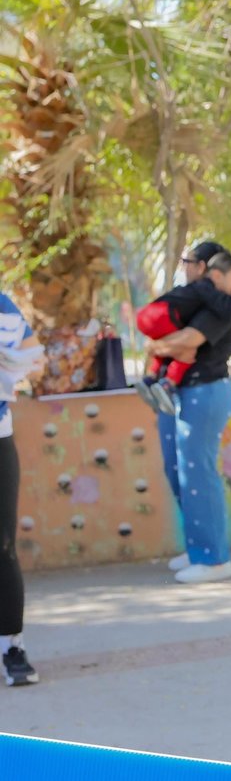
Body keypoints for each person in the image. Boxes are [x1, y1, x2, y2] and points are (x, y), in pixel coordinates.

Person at [144, 251, 231, 585]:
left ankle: (214, 558)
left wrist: (158, 346)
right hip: (182, 392)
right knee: (179, 472)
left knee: (198, 474)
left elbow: (190, 342)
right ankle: (197, 548)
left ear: (206, 270)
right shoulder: (198, 301)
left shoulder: (224, 306)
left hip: (205, 391)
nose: (186, 269)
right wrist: (164, 346)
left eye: (190, 263)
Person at [135, 252, 231, 416]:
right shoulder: (213, 296)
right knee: (187, 351)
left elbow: (189, 340)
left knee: (187, 348)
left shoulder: (216, 300)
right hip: (189, 388)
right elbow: (186, 341)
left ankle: (154, 380)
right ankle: (166, 383)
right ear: (216, 274)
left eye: (188, 263)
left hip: (201, 387)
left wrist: (154, 346)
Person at [0, 293, 45, 686]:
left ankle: (12, 647)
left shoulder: (3, 306)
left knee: (3, 546)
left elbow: (35, 358)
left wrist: (16, 366)